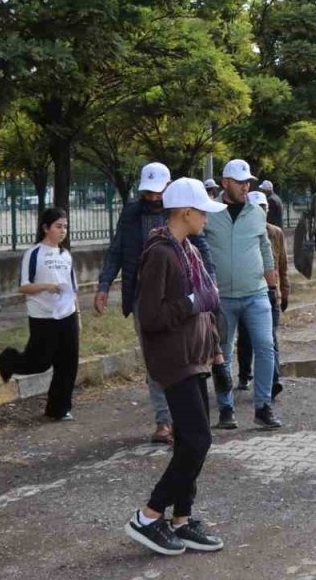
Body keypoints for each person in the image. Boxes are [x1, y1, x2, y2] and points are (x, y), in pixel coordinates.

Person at [124, 178, 226, 557]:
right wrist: (190, 300)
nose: (206, 219)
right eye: (202, 211)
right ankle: (149, 515)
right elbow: (150, 316)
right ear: (185, 212)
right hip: (173, 360)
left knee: (189, 440)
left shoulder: (189, 250)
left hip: (195, 357)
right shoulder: (161, 253)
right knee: (199, 440)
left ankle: (182, 519)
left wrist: (215, 351)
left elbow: (206, 306)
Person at [95, 163, 214, 446]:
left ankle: (187, 417)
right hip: (143, 296)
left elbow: (202, 250)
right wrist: (103, 285)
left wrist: (210, 288)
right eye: (147, 193)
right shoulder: (131, 213)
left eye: (157, 192)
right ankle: (164, 421)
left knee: (184, 356)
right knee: (156, 359)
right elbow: (117, 249)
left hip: (179, 295)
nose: (152, 198)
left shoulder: (182, 214)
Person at [208, 159, 282, 430]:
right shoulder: (210, 212)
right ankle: (226, 408)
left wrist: (273, 287)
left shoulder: (256, 212)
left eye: (248, 182)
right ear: (225, 182)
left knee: (265, 347)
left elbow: (265, 249)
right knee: (223, 353)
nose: (245, 186)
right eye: (240, 182)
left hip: (256, 294)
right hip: (222, 298)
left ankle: (263, 406)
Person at [0, 207, 81, 420]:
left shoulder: (66, 255)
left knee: (68, 364)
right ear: (45, 228)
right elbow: (23, 287)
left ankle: (58, 409)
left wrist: (77, 316)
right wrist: (46, 286)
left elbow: (72, 289)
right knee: (40, 362)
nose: (63, 231)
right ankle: (8, 360)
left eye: (65, 227)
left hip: (67, 315)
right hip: (43, 318)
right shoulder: (34, 254)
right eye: (58, 226)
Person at [235, 191, 288, 398]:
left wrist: (284, 290)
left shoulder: (275, 233)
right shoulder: (240, 231)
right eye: (257, 207)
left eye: (264, 208)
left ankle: (273, 381)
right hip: (247, 292)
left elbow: (282, 264)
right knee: (246, 337)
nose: (261, 212)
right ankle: (244, 374)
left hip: (270, 291)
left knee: (269, 339)